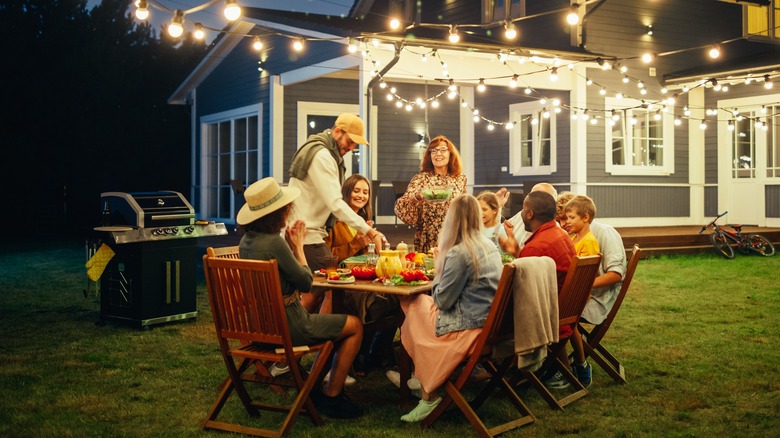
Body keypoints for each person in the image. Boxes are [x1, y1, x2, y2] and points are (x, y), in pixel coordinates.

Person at [236, 177, 364, 419]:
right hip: (287, 326)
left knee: (333, 329)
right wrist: (298, 248)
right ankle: (331, 396)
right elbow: (307, 283)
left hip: (258, 325)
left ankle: (312, 387)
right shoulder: (274, 243)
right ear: (279, 212)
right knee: (354, 325)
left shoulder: (247, 242)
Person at [392, 194, 502, 422]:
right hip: (491, 325)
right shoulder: (488, 245)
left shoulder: (460, 253)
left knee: (413, 306)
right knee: (418, 305)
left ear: (451, 219)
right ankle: (422, 378)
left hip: (469, 327)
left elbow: (442, 301)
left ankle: (427, 391)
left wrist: (440, 267)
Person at [288, 113, 386, 313]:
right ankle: (296, 331)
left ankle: (317, 335)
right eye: (350, 141)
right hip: (306, 235)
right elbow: (335, 203)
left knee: (323, 290)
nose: (351, 148)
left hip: (309, 231)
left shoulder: (326, 153)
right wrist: (370, 231)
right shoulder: (322, 156)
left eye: (354, 144)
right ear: (337, 132)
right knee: (328, 287)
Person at [325, 174, 400, 374]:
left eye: (365, 192)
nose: (361, 195)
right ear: (347, 192)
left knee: (399, 303)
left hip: (363, 281)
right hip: (343, 287)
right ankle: (362, 355)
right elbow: (328, 257)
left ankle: (374, 353)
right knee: (383, 304)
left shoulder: (363, 221)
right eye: (356, 190)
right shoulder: (334, 221)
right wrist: (358, 241)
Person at [555, 194, 600, 389]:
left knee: (559, 322)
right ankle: (566, 367)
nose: (567, 222)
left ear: (585, 218)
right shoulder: (574, 238)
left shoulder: (588, 242)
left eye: (571, 218)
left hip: (578, 296)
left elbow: (585, 276)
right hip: (570, 293)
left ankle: (573, 367)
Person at [394, 135, 467, 253]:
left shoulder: (460, 179)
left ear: (451, 154)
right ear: (429, 155)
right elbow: (403, 206)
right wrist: (416, 197)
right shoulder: (420, 179)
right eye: (433, 151)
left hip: (455, 237)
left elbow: (464, 206)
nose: (438, 154)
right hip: (428, 238)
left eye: (443, 150)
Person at [497, 182, 558, 250]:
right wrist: (497, 207)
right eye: (531, 195)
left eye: (537, 196)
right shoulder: (524, 213)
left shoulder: (552, 234)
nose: (531, 199)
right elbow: (503, 226)